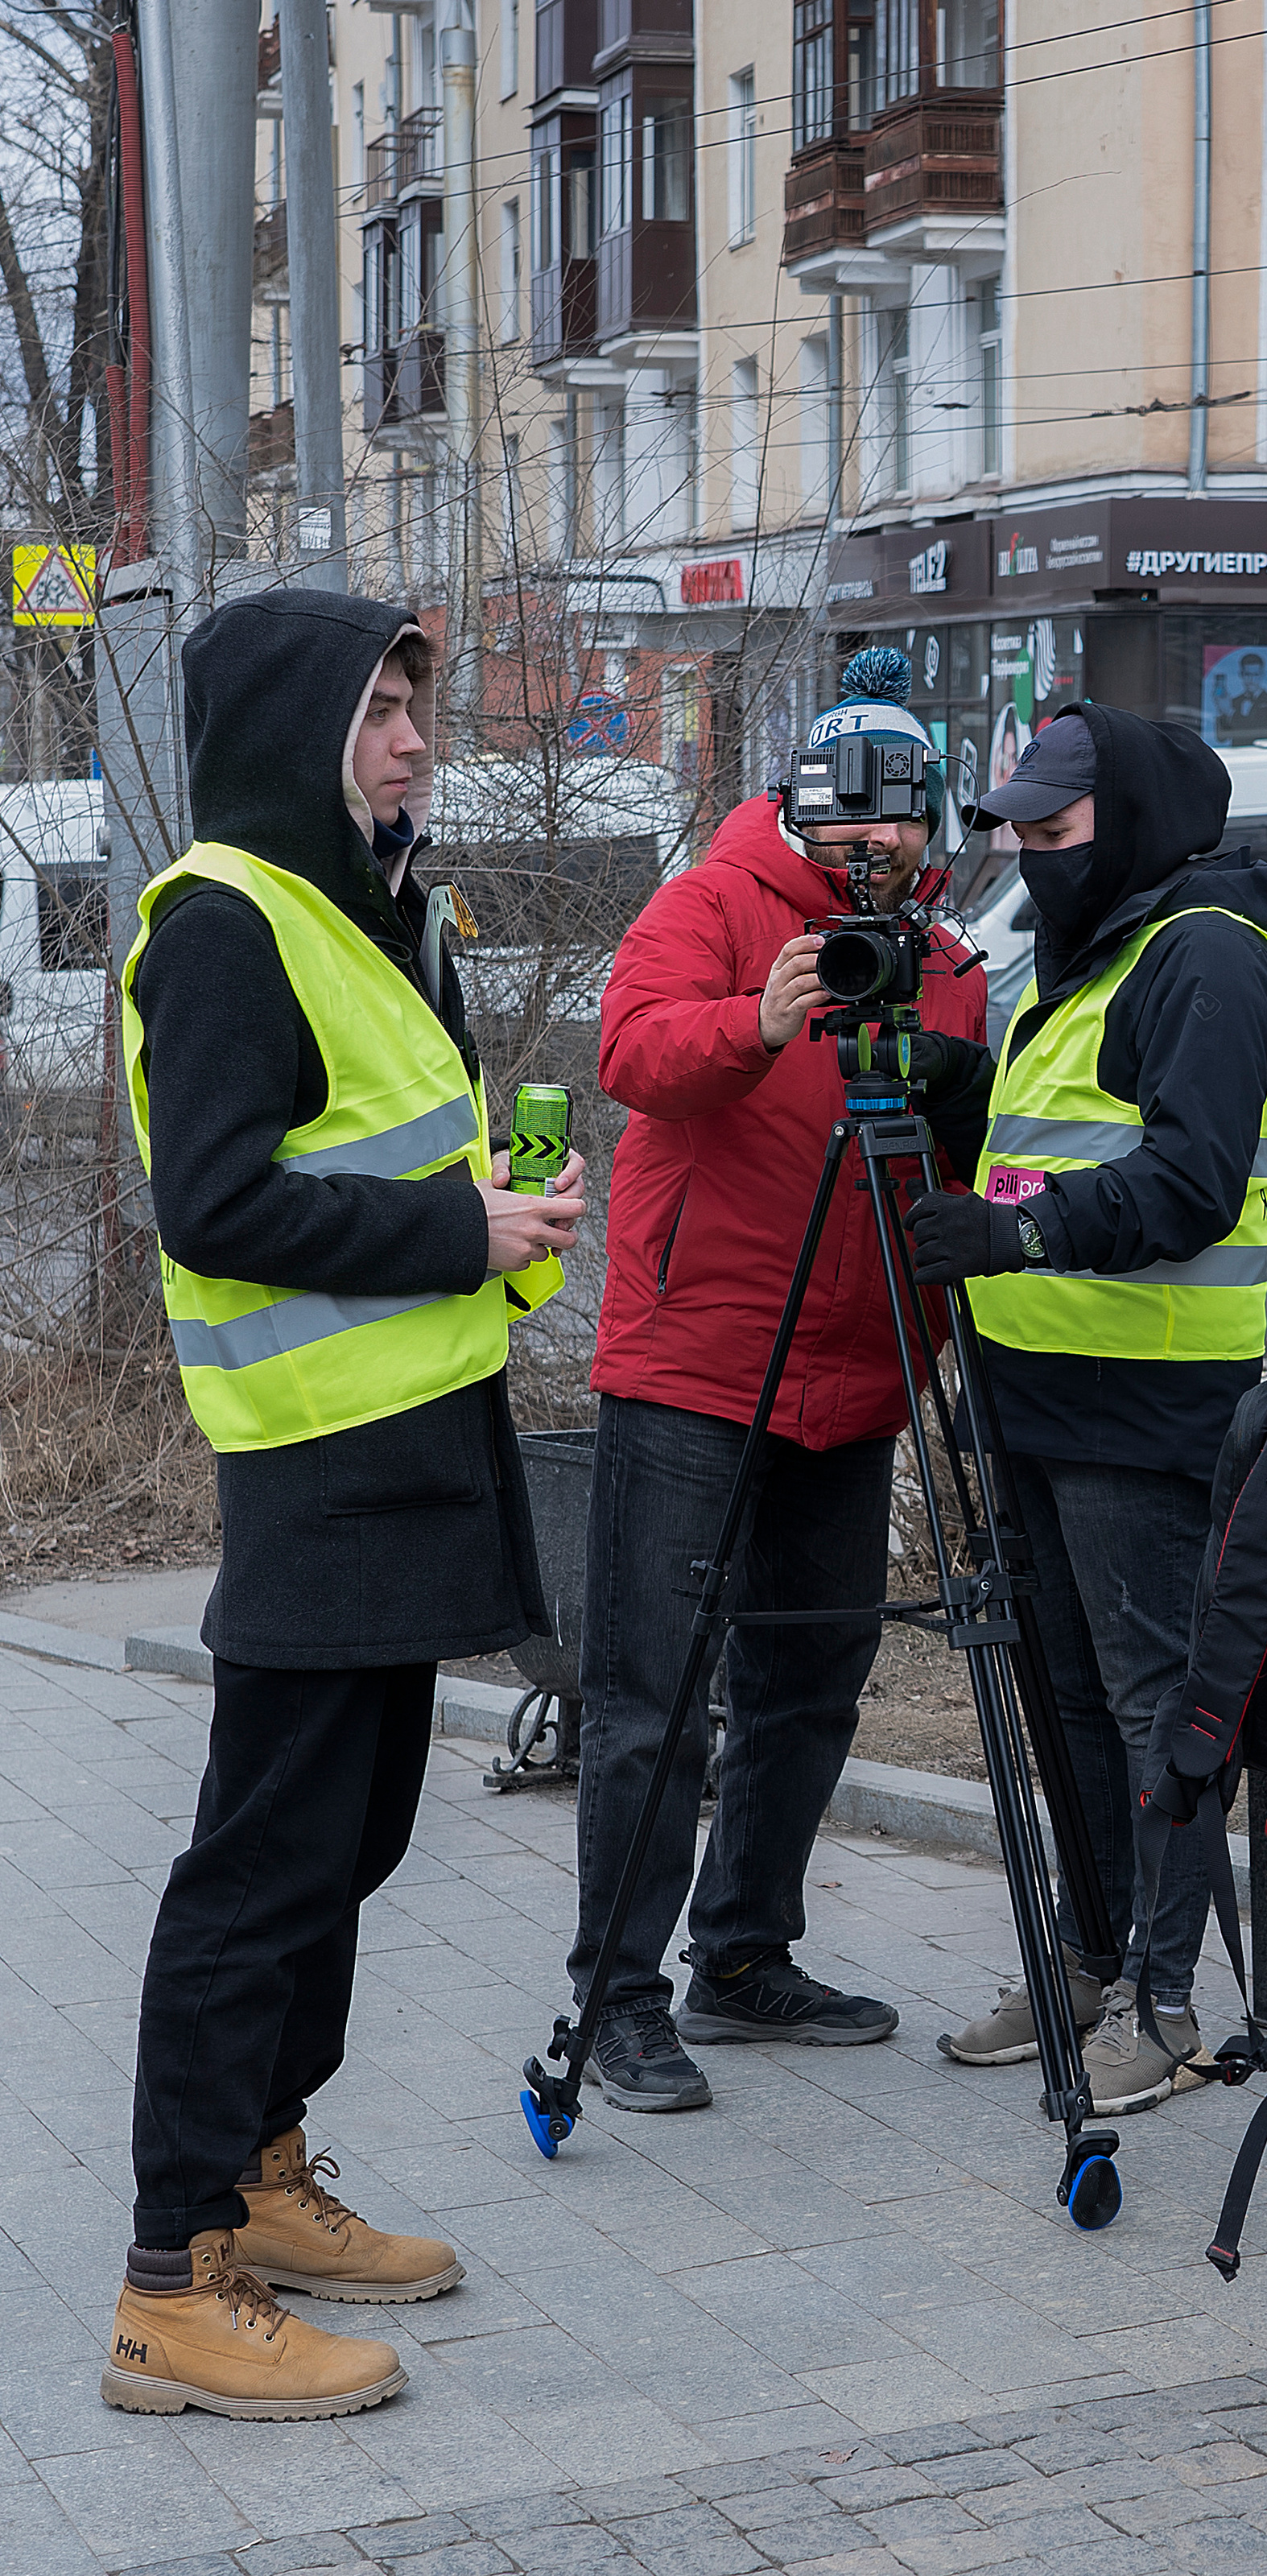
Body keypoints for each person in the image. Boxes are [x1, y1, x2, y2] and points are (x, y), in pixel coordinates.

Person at [106, 594, 582, 2422]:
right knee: (259, 1870)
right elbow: (216, 1204)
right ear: (292, 726)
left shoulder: (377, 909)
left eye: (414, 708)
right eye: (376, 710)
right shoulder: (226, 921)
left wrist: (496, 1209)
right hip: (318, 1468)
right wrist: (453, 1225)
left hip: (414, 1449)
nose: (407, 740)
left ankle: (264, 2176)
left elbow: (382, 1154)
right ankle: (174, 2281)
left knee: (354, 1845)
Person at [566, 650, 988, 2112]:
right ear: (799, 815)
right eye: (845, 826)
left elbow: (957, 1168)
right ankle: (616, 1998)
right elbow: (628, 1052)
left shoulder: (949, 959)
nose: (872, 850)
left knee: (810, 1685)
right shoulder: (719, 902)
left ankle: (742, 1955)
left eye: (900, 826)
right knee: (654, 1700)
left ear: (935, 827)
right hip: (699, 1359)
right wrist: (760, 1016)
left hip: (859, 1373)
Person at [907, 705, 1267, 2112]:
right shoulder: (1101, 948)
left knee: (1157, 1708)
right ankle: (1086, 1959)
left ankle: (1173, 2002)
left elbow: (1189, 1182)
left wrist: (1013, 1242)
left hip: (1142, 1402)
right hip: (1032, 1388)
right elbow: (1051, 1143)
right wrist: (959, 1086)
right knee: (1062, 1694)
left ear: (1125, 822)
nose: (1029, 855)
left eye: (1054, 833)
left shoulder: (1207, 949)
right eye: (1015, 831)